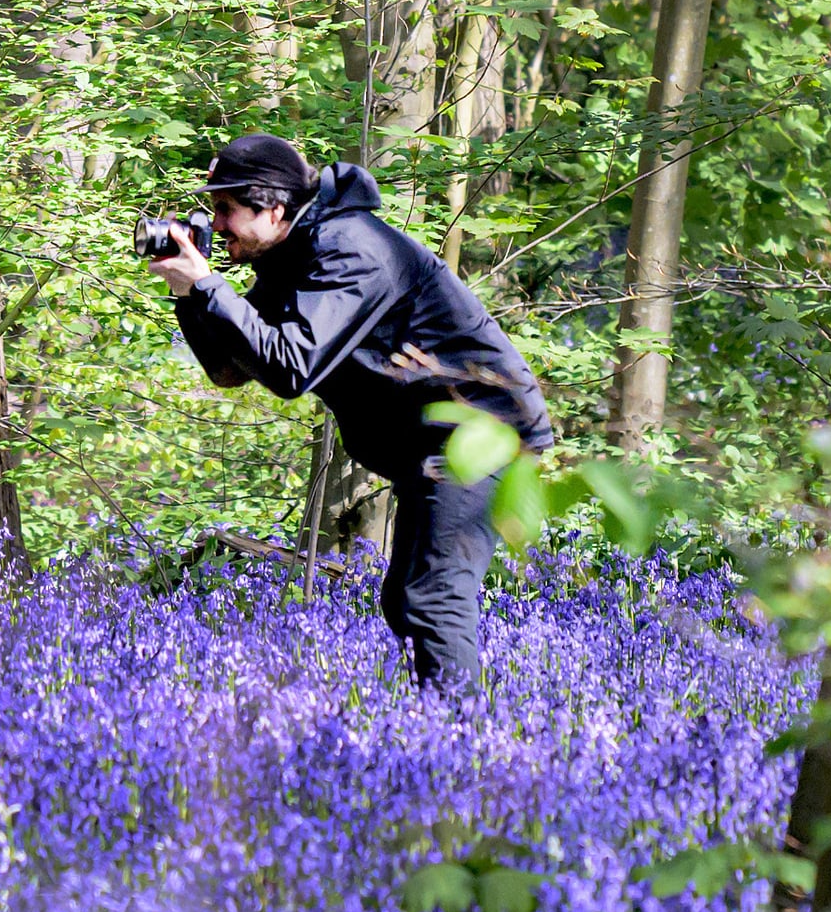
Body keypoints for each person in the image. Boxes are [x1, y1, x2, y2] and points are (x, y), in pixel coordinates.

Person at [146, 133, 553, 687]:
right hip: (432, 440)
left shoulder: (351, 249)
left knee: (431, 597)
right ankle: (443, 734)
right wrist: (189, 294)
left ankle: (463, 749)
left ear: (275, 207)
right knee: (404, 601)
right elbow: (231, 371)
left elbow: (291, 369)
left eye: (226, 209)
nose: (216, 225)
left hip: (483, 429)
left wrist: (211, 288)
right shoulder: (293, 255)